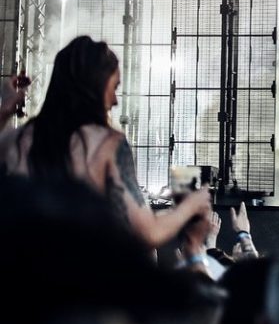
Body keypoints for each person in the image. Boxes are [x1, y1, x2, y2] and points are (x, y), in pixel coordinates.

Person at [0, 36, 211, 249]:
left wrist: (5, 110)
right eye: (114, 87)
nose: (115, 100)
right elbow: (149, 233)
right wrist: (191, 205)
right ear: (95, 87)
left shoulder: (15, 140)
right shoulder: (107, 144)